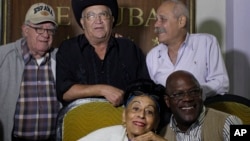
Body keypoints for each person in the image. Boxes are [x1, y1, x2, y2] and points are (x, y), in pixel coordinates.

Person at [56, 0, 150, 106]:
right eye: (91, 15)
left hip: (121, 120)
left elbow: (145, 89)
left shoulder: (129, 49)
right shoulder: (69, 49)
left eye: (103, 14)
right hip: (80, 120)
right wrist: (102, 90)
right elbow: (63, 91)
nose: (98, 20)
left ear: (112, 19)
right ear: (82, 22)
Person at [0, 3, 61, 141]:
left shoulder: (61, 58)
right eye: (39, 28)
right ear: (25, 29)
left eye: (50, 30)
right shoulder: (3, 56)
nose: (45, 34)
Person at [146, 0, 229, 99]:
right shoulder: (153, 56)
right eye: (156, 19)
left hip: (203, 110)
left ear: (181, 21)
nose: (156, 25)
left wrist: (193, 93)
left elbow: (221, 83)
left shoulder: (206, 43)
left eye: (163, 19)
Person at [161, 70, 242, 141]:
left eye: (193, 92)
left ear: (201, 94)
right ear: (167, 101)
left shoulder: (230, 122)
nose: (187, 98)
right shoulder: (163, 134)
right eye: (179, 94)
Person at [78, 79, 168, 141]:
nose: (141, 115)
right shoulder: (107, 136)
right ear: (124, 115)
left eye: (149, 112)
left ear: (156, 122)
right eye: (136, 108)